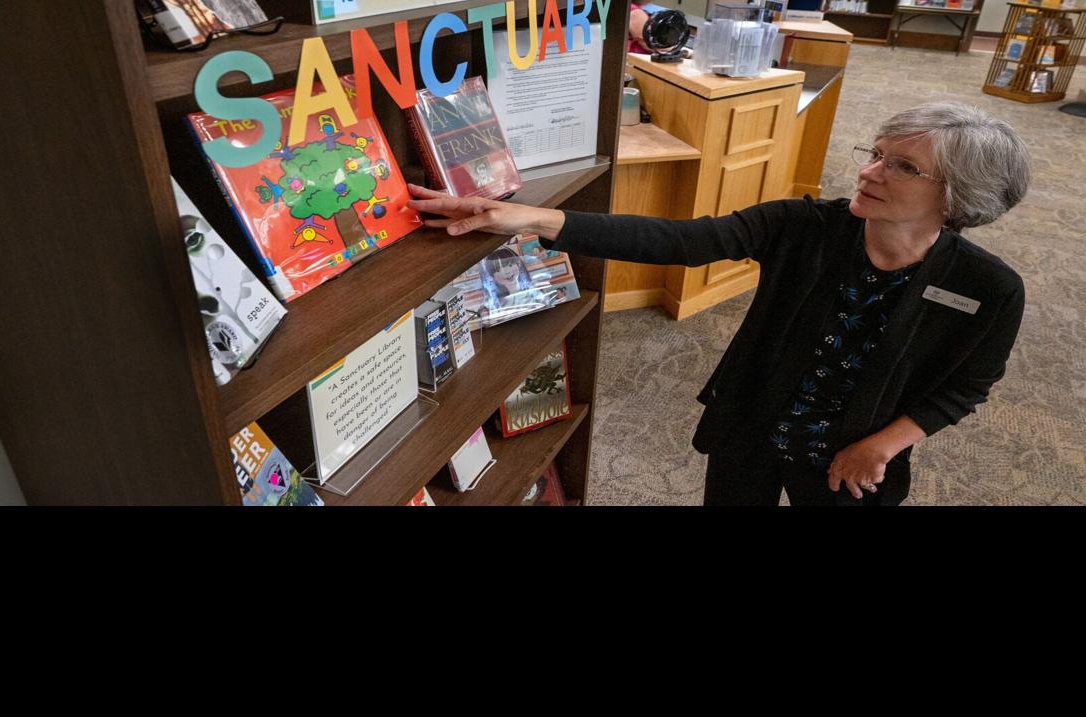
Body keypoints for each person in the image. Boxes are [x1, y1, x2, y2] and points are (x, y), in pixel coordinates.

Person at [405, 102, 1031, 506]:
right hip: (750, 426)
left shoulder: (989, 288)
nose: (869, 173)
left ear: (958, 196)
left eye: (903, 167)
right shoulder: (804, 226)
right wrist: (529, 218)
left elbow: (966, 386)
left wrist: (886, 445)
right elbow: (683, 241)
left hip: (856, 454)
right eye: (874, 154)